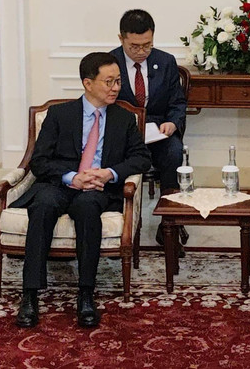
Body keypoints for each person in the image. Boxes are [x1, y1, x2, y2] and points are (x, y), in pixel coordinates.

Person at [11, 52, 151, 328]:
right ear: (88, 83)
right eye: (108, 81)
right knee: (43, 205)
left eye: (118, 81)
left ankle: (86, 293)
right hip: (61, 183)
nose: (116, 87)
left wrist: (109, 173)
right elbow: (39, 161)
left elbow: (141, 159)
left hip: (98, 188)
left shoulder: (124, 119)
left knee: (88, 208)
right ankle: (30, 294)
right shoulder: (60, 114)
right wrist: (71, 177)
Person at [110, 9, 189, 251]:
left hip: (157, 130)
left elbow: (177, 102)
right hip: (121, 130)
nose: (142, 51)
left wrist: (172, 123)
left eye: (148, 45)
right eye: (135, 46)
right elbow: (100, 102)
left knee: (174, 152)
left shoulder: (165, 62)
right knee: (110, 157)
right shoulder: (108, 63)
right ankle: (116, 221)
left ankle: (170, 222)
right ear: (121, 38)